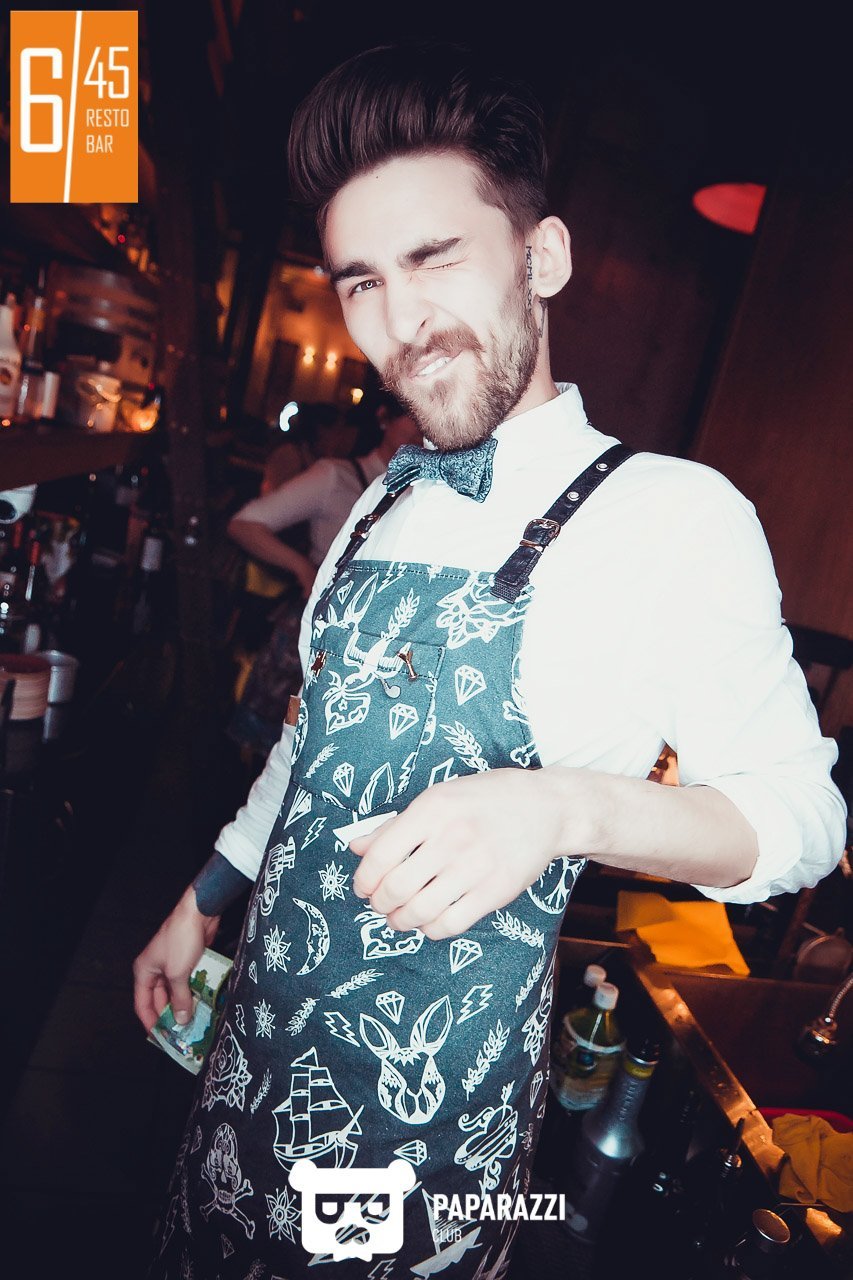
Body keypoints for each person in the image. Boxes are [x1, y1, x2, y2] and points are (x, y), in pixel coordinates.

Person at [135, 43, 847, 1279]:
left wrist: (560, 807)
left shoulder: (670, 516)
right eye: (362, 281)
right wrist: (201, 898)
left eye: (434, 257)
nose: (402, 322)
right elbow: (312, 735)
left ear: (542, 256)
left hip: (421, 1135)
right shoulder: (378, 500)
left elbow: (801, 819)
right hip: (248, 1063)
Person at [227, 393, 422, 756]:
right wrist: (302, 568)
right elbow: (245, 524)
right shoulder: (337, 475)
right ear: (384, 418)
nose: (420, 425)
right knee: (278, 740)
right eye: (410, 414)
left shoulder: (428, 491)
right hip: (317, 632)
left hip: (378, 647)